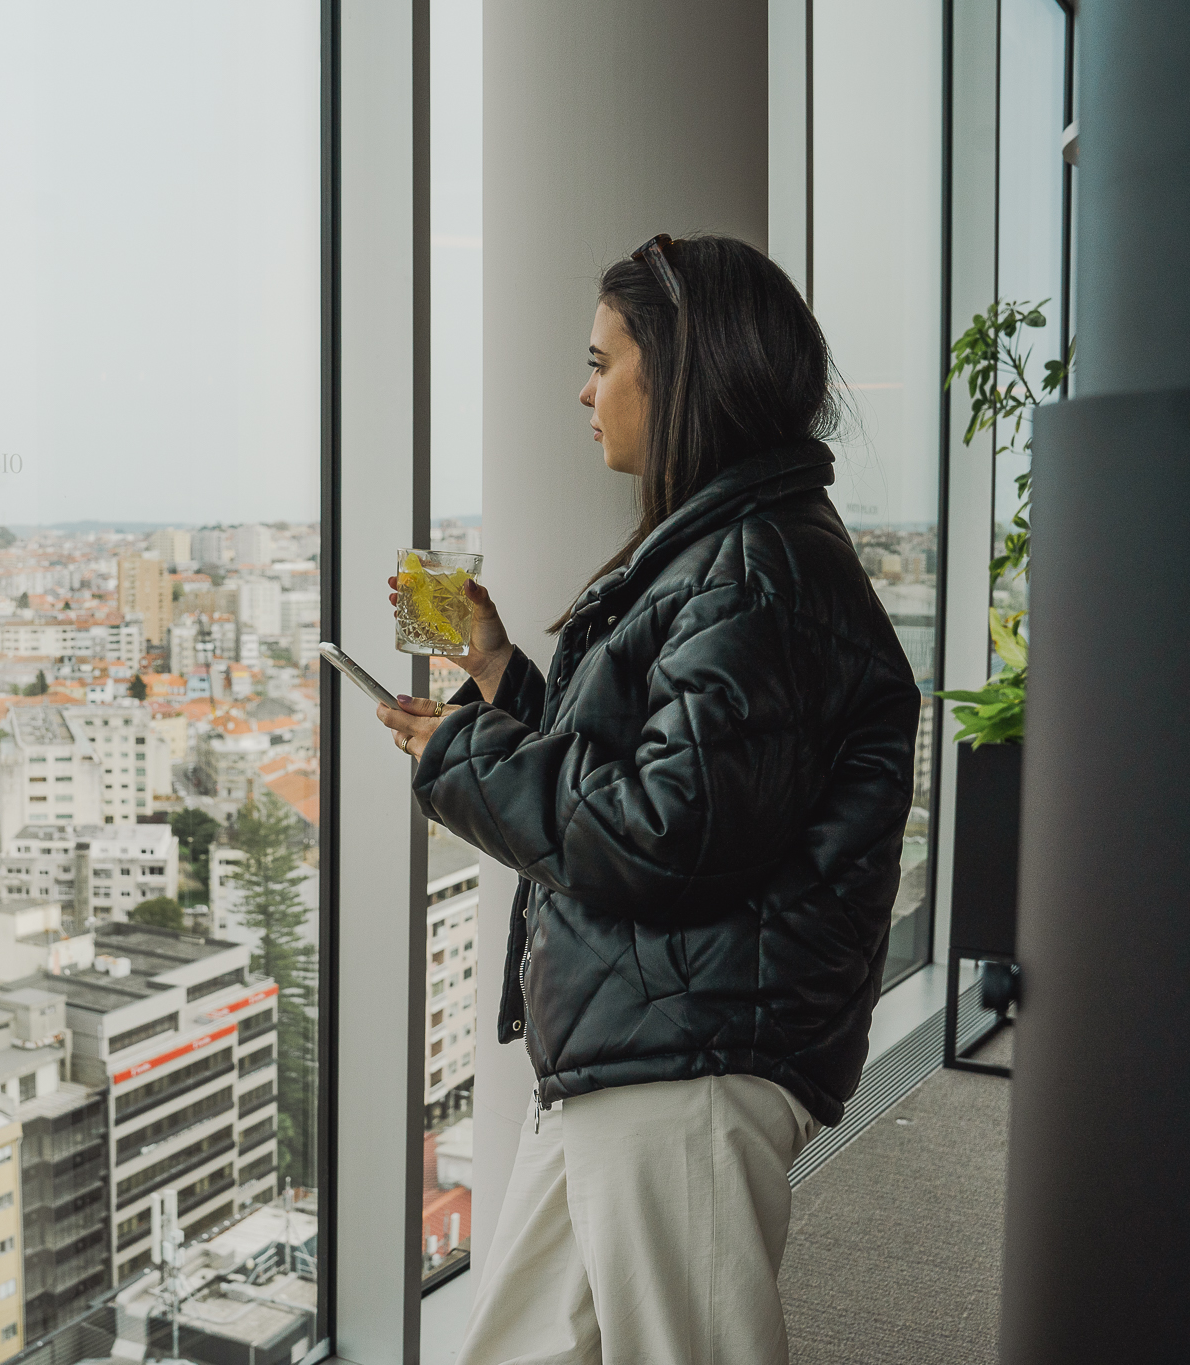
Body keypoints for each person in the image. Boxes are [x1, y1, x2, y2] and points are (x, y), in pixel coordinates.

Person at [380, 233, 919, 1365]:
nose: (581, 391)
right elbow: (669, 774)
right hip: (649, 1034)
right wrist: (496, 679)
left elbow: (662, 835)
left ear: (676, 376)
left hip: (689, 1051)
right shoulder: (734, 549)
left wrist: (464, 757)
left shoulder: (751, 568)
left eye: (600, 362)